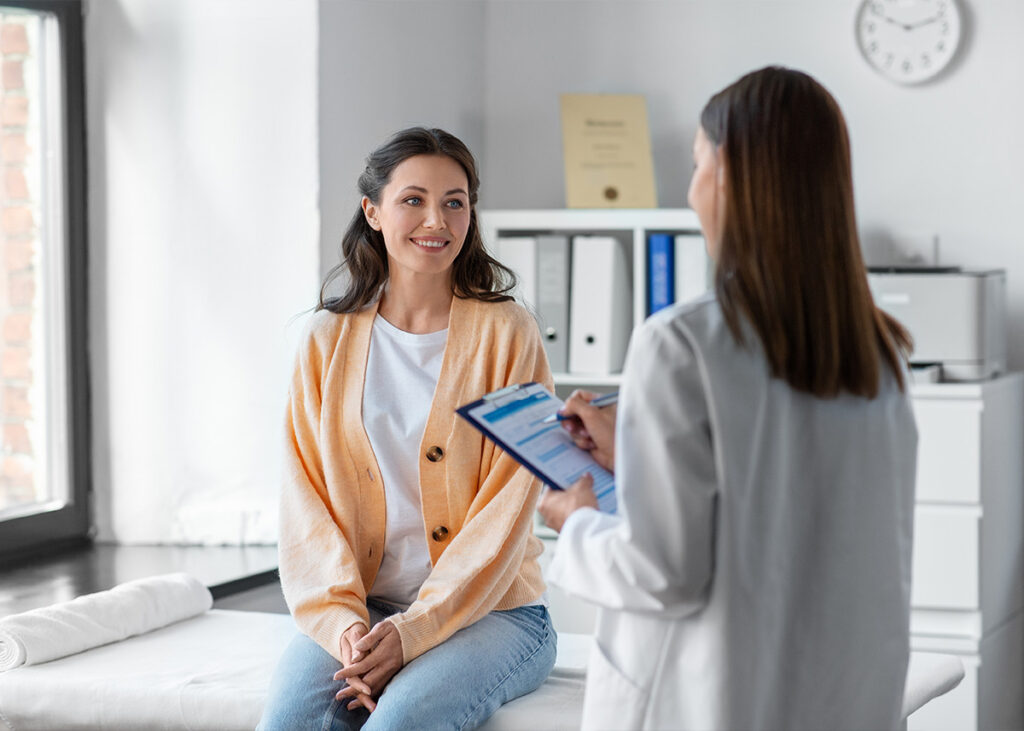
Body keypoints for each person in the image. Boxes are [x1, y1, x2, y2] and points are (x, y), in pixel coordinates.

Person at [538, 67, 918, 731]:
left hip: (713, 702)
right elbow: (784, 503)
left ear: (730, 170)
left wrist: (575, 522)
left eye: (695, 164)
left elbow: (663, 572)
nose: (691, 191)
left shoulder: (680, 343)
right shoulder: (878, 352)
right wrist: (638, 459)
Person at [259, 127, 556, 731]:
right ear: (372, 211)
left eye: (455, 201)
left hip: (495, 614)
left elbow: (511, 505)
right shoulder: (324, 340)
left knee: (401, 722)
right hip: (359, 611)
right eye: (413, 199)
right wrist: (348, 631)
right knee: (291, 721)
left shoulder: (510, 334)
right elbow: (304, 501)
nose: (436, 220)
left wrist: (415, 631)